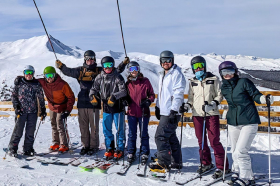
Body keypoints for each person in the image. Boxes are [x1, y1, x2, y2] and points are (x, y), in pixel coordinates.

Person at [56, 50, 129, 155]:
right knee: (84, 126)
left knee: (95, 127)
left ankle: (95, 146)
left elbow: (115, 71)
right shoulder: (80, 71)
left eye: (91, 58)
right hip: (82, 102)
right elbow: (69, 71)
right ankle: (86, 146)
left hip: (96, 103)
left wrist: (123, 64)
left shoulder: (99, 71)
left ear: (94, 59)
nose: (89, 60)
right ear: (84, 59)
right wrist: (61, 66)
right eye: (87, 58)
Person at [218, 61, 274, 186]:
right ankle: (237, 171)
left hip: (249, 121)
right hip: (233, 121)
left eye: (230, 71)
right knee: (234, 150)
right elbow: (221, 98)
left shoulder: (244, 82)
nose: (227, 75)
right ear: (221, 74)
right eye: (224, 72)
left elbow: (255, 95)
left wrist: (264, 99)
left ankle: (247, 177)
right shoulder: (224, 87)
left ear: (235, 72)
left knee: (241, 151)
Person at [180, 56, 229, 178]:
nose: (198, 68)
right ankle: (206, 163)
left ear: (204, 66)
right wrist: (187, 105)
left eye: (200, 65)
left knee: (214, 140)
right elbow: (191, 98)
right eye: (195, 67)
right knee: (201, 141)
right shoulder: (192, 82)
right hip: (197, 114)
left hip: (211, 114)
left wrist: (213, 104)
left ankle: (222, 167)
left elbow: (219, 95)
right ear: (192, 69)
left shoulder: (213, 79)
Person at [148, 50, 186, 170]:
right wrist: (158, 106)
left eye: (168, 60)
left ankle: (163, 162)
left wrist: (174, 110)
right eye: (163, 60)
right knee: (170, 137)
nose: (166, 63)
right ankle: (177, 161)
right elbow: (162, 93)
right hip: (165, 111)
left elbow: (178, 93)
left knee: (160, 136)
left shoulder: (176, 74)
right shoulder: (163, 74)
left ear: (172, 60)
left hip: (172, 112)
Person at [89, 56, 127, 160]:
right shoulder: (99, 77)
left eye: (110, 65)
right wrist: (92, 96)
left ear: (113, 65)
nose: (108, 67)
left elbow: (124, 91)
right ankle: (110, 148)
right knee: (107, 129)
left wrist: (115, 96)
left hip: (117, 106)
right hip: (106, 106)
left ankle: (120, 149)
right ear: (102, 66)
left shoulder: (118, 77)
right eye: (105, 65)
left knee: (120, 129)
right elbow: (93, 89)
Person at [9, 65, 46, 156]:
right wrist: (16, 107)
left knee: (30, 132)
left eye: (30, 73)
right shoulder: (19, 83)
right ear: (24, 73)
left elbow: (40, 97)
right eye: (26, 72)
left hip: (33, 112)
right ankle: (13, 148)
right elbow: (14, 96)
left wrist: (43, 109)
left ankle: (28, 149)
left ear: (33, 74)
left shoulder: (36, 84)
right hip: (21, 111)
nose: (28, 75)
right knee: (18, 131)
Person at [38, 66, 75, 153]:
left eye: (51, 75)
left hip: (61, 107)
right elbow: (31, 79)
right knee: (53, 125)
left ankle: (64, 144)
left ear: (55, 75)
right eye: (47, 76)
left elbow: (71, 97)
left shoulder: (62, 84)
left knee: (60, 125)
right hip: (51, 107)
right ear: (44, 76)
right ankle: (56, 143)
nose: (49, 78)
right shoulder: (43, 82)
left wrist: (68, 110)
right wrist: (20, 78)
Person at [125, 61, 155, 163]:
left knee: (144, 133)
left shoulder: (145, 81)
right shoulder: (128, 83)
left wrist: (148, 101)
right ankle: (131, 152)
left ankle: (144, 152)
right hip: (132, 112)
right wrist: (125, 100)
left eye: (135, 69)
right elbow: (125, 95)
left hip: (143, 112)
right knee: (132, 134)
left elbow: (152, 95)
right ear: (129, 71)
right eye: (131, 69)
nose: (134, 71)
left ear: (139, 69)